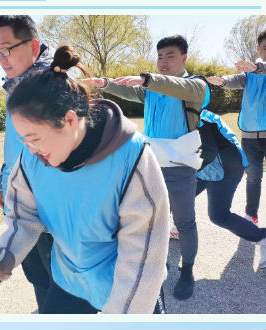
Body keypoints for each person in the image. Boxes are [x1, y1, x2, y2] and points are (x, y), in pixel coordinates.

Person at [0, 45, 170, 314]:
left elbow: (143, 256)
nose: (30, 150)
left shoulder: (131, 158)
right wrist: (5, 255)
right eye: (24, 140)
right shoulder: (32, 158)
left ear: (69, 120)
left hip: (127, 288)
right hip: (69, 280)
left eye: (34, 138)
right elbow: (24, 215)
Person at [86, 35, 208, 301]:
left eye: (170, 56)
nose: (163, 62)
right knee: (152, 222)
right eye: (160, 56)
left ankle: (187, 271)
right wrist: (105, 83)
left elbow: (175, 86)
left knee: (185, 222)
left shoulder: (196, 86)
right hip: (150, 165)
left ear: (184, 58)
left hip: (180, 169)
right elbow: (132, 91)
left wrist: (147, 79)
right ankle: (157, 267)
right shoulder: (152, 88)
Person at [0, 15, 54, 312]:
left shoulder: (52, 86)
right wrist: (4, 183)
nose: (1, 59)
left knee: (60, 285)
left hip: (47, 208)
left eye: (7, 49)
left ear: (33, 47)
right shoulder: (15, 87)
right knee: (38, 277)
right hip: (20, 197)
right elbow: (14, 143)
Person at [207, 29, 266, 223]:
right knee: (253, 177)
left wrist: (257, 67)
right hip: (249, 137)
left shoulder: (257, 68)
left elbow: (261, 68)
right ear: (258, 48)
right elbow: (234, 79)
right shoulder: (249, 75)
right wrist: (221, 81)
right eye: (265, 48)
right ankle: (251, 215)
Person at [194, 108, 266, 265]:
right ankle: (177, 226)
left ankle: (262, 237)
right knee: (177, 194)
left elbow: (207, 153)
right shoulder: (188, 115)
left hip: (226, 169)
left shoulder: (200, 118)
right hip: (210, 167)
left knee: (219, 216)